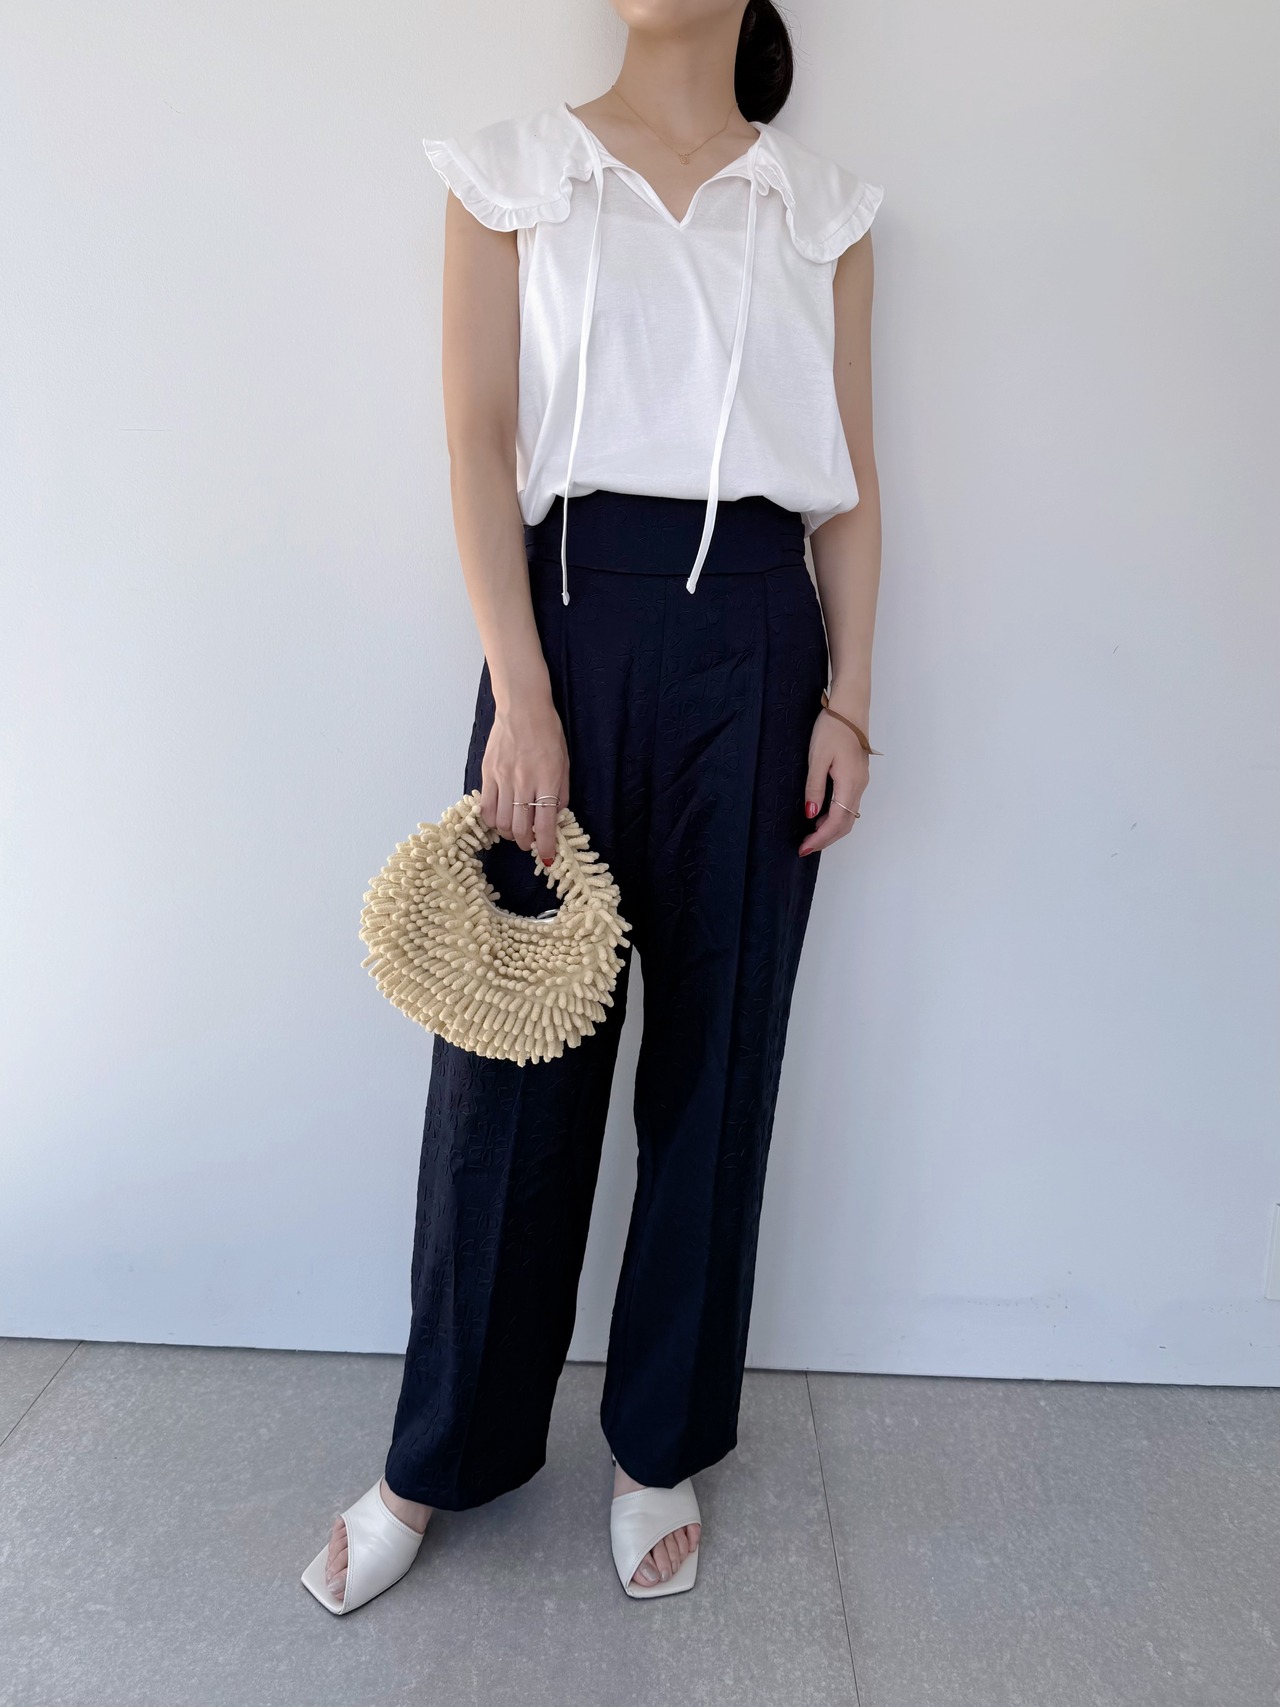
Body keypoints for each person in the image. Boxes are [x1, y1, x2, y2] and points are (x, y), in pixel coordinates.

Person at [301, 0, 883, 1612]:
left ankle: (657, 1445)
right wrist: (523, 690)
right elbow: (478, 439)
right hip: (562, 628)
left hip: (761, 645)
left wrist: (849, 698)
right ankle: (438, 1455)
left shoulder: (823, 213)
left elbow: (851, 485)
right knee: (509, 1058)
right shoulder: (512, 178)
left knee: (718, 1060)